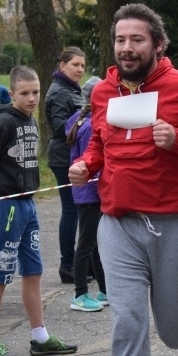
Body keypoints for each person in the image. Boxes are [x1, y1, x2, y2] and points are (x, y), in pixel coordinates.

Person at [68, 3, 178, 356]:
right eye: (120, 39)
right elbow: (101, 140)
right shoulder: (103, 93)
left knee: (175, 331)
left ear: (158, 44)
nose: (127, 47)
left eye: (137, 40)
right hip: (118, 223)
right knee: (127, 321)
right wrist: (87, 164)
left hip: (175, 223)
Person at [0, 66, 77, 356]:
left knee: (34, 270)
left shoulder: (30, 121)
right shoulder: (3, 123)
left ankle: (40, 336)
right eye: (25, 93)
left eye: (36, 92)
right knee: (1, 272)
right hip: (7, 206)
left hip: (27, 205)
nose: (31, 99)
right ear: (13, 93)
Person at [65, 75, 109, 312]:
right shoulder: (92, 125)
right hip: (91, 192)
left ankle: (104, 290)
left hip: (86, 192)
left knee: (95, 244)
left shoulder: (78, 120)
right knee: (86, 244)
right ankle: (80, 294)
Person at [44, 47, 86, 284]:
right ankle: (67, 265)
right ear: (62, 65)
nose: (80, 69)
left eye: (82, 65)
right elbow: (61, 127)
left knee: (79, 211)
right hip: (63, 157)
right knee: (71, 211)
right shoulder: (59, 92)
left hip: (74, 155)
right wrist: (86, 121)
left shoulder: (71, 89)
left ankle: (80, 263)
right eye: (75, 65)